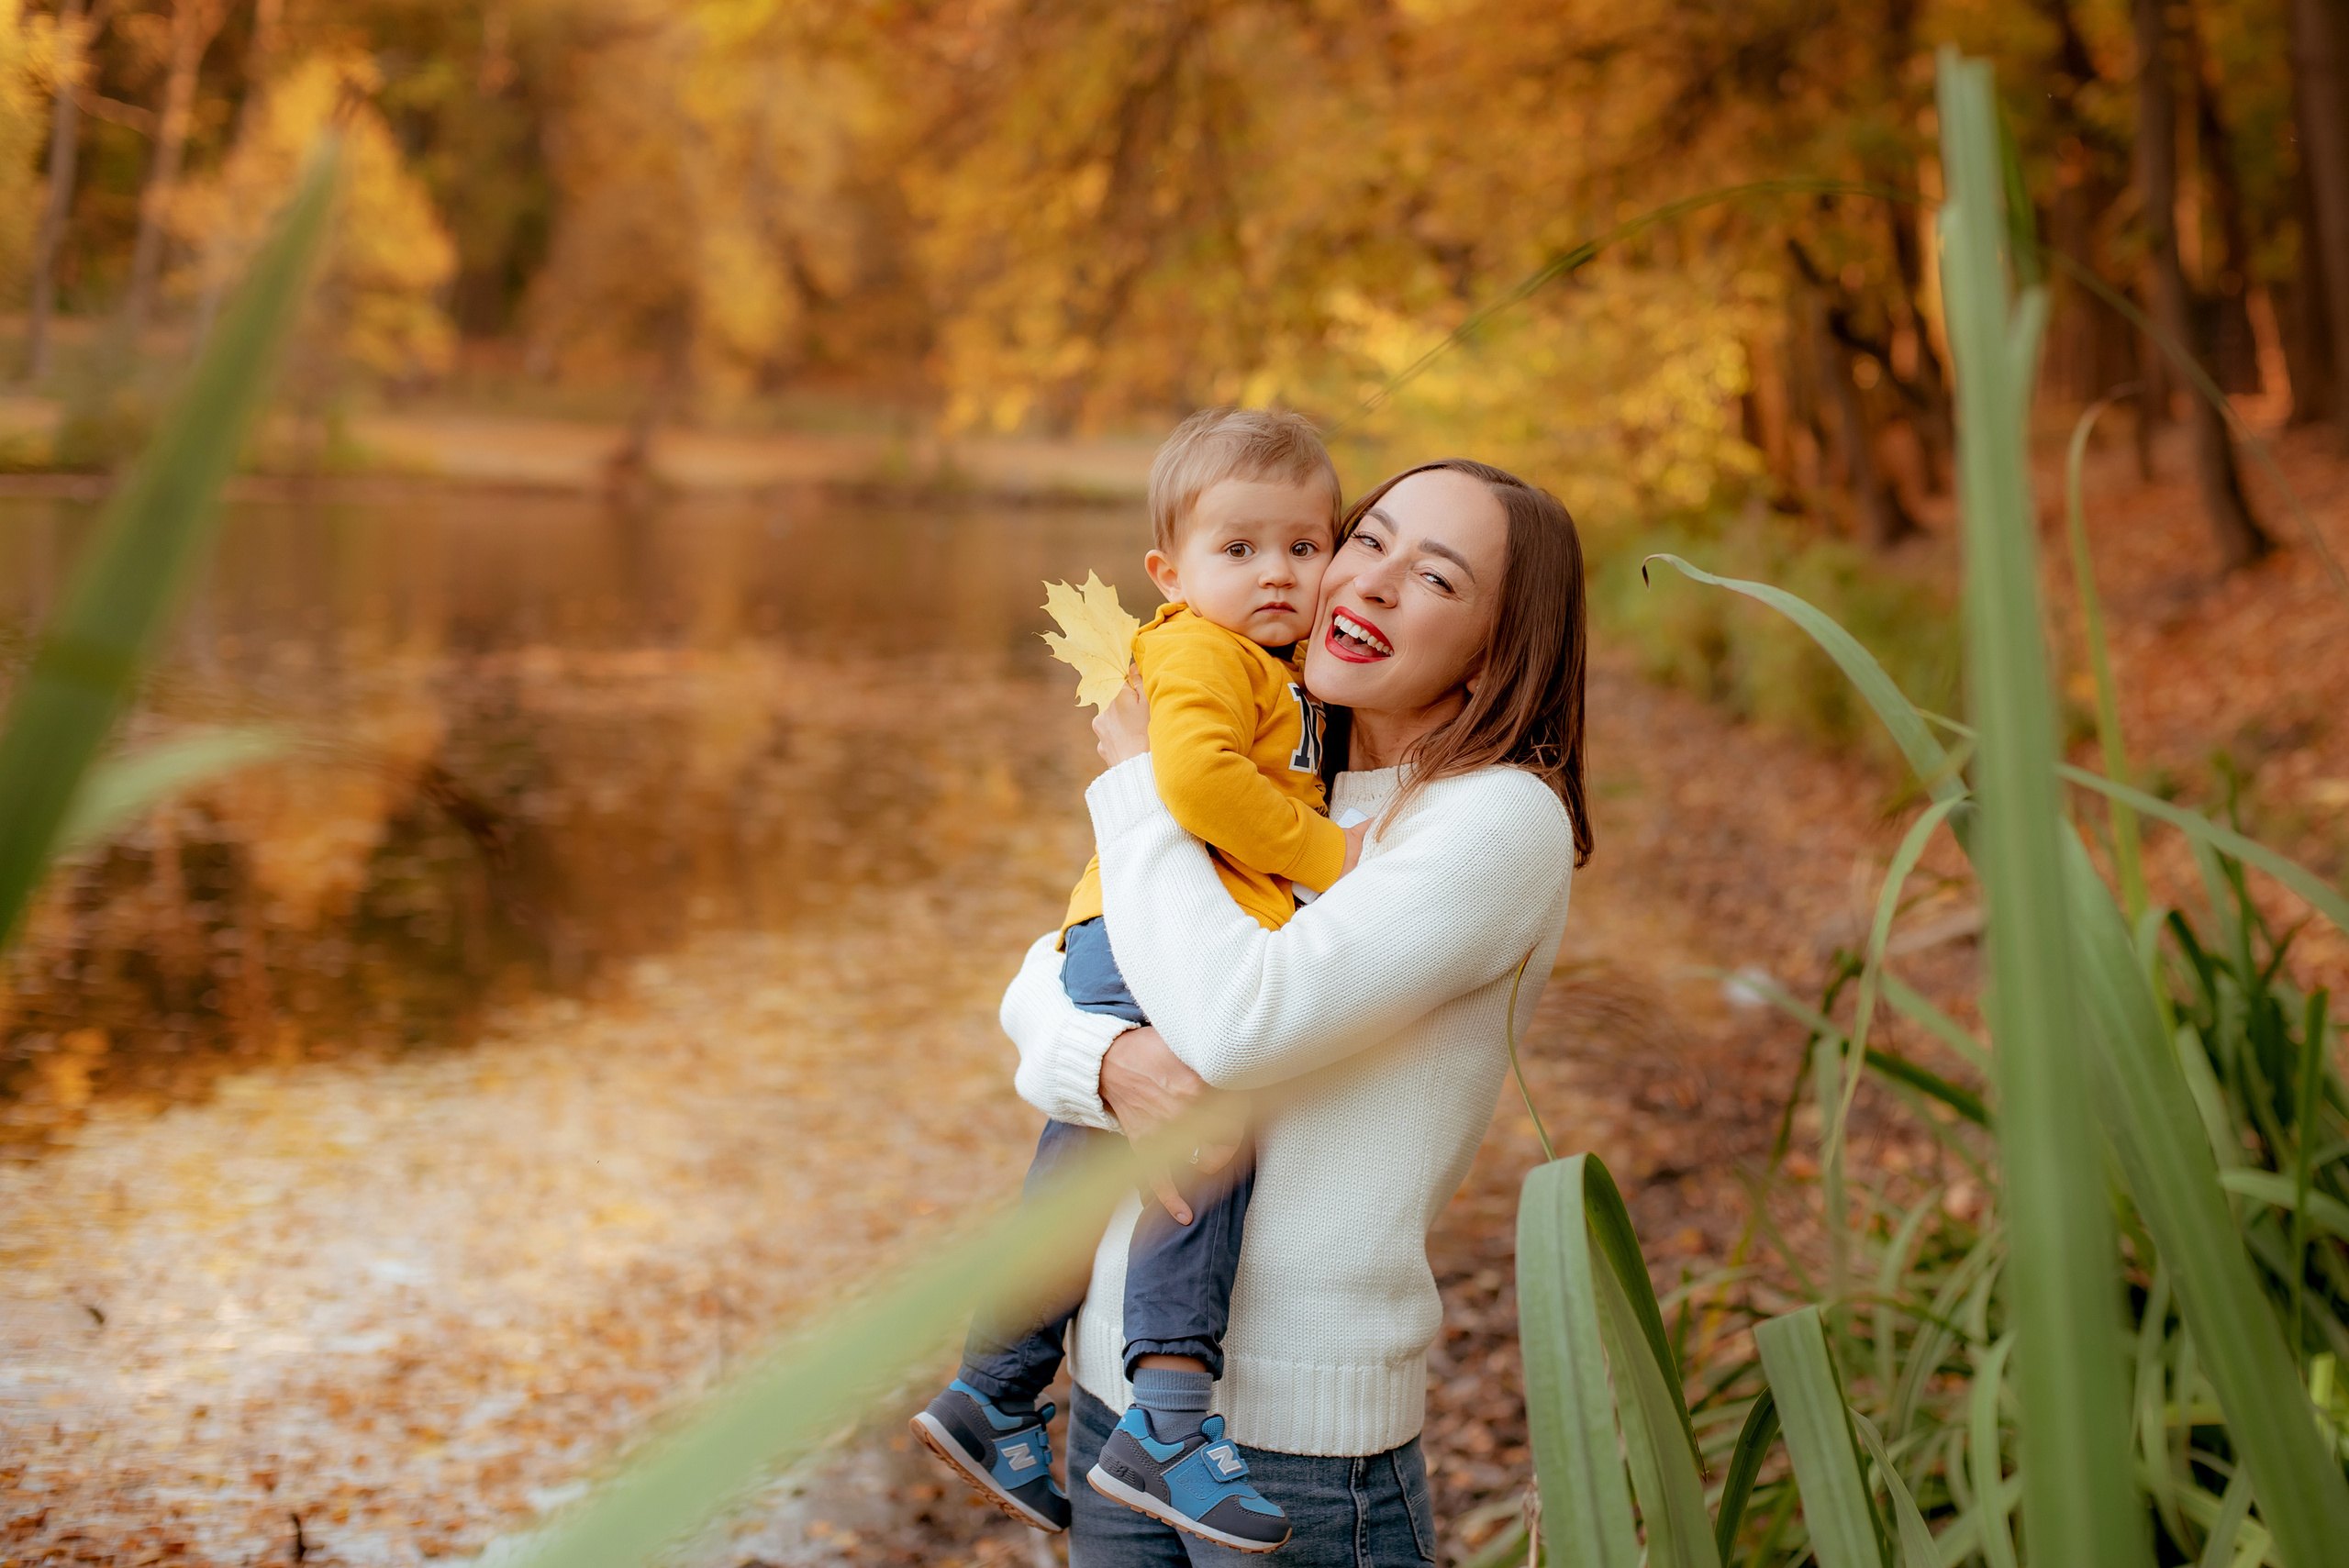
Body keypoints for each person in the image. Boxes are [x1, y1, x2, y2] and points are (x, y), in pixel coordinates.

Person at [1000, 459, 1590, 1565]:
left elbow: (1238, 1022)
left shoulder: (1494, 822)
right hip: (1118, 1401)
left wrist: (1140, 783)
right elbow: (1054, 973)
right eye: (1367, 539)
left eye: (1435, 577)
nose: (1371, 581)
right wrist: (1107, 1058)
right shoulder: (1276, 781)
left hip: (1300, 1447)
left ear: (1498, 649)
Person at [913, 407, 1373, 1553]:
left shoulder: (1268, 665)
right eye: (1240, 548)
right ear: (1169, 572)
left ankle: (994, 1388)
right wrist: (1333, 856)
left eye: (1304, 546)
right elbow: (1201, 784)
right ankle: (1167, 1412)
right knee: (1205, 1144)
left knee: (1087, 1163)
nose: (1278, 573)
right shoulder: (1204, 652)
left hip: (1130, 925)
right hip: (1150, 932)